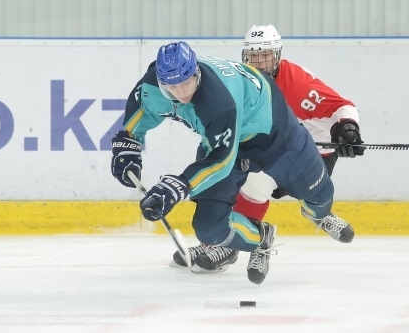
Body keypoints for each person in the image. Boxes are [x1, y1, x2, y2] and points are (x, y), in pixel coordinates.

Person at [110, 41, 354, 285]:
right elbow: (138, 119)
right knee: (209, 228)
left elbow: (221, 161)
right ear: (160, 81)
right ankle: (260, 237)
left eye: (186, 82)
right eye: (172, 86)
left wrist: (180, 185)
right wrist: (129, 147)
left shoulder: (217, 100)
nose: (181, 92)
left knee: (319, 196)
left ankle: (319, 215)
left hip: (275, 132)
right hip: (225, 139)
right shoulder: (151, 86)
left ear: (196, 73)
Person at [170, 24, 365, 271]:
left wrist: (347, 129)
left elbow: (342, 107)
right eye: (253, 56)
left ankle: (320, 215)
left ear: (278, 54)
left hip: (311, 154)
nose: (259, 63)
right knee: (250, 187)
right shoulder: (239, 80)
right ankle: (222, 246)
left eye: (265, 55)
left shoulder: (297, 83)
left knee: (314, 197)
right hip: (270, 150)